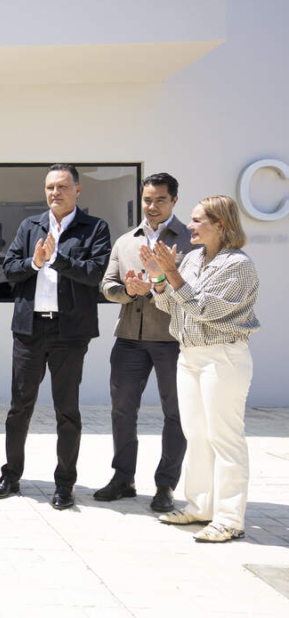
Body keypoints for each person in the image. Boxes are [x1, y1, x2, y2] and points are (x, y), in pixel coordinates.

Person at [0, 164, 111, 509]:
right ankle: (11, 476)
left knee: (67, 410)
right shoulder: (31, 226)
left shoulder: (95, 228)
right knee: (19, 408)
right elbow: (10, 269)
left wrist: (56, 258)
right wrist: (36, 263)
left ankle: (65, 484)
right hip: (30, 328)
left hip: (70, 331)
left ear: (77, 190)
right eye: (49, 187)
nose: (54, 193)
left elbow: (95, 273)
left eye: (61, 186)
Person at [142, 195, 260, 542]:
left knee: (225, 438)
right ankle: (200, 506)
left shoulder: (238, 265)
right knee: (196, 434)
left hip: (223, 356)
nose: (189, 226)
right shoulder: (192, 258)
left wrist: (173, 275)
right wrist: (159, 279)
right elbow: (171, 305)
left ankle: (229, 519)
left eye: (197, 220)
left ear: (220, 224)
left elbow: (205, 309)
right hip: (190, 354)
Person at [96, 173, 194, 511]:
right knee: (122, 410)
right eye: (147, 200)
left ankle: (165, 485)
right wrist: (127, 291)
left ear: (174, 201)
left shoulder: (191, 240)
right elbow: (107, 285)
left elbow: (193, 291)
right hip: (128, 339)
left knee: (176, 414)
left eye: (160, 200)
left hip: (172, 340)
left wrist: (159, 280)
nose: (152, 207)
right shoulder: (125, 242)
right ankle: (123, 478)